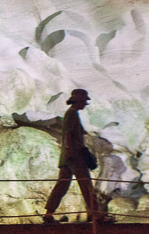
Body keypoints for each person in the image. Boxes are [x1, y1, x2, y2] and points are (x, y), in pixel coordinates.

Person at [42, 88, 112, 224]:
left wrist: (66, 153)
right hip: (75, 156)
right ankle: (97, 215)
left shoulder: (70, 113)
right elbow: (68, 133)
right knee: (86, 185)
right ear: (78, 101)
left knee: (61, 186)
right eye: (84, 101)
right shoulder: (72, 113)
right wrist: (69, 150)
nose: (85, 104)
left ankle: (48, 214)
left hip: (67, 157)